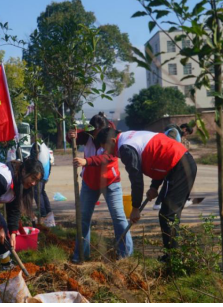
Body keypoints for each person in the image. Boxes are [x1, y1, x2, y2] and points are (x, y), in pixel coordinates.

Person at [97, 128, 197, 260]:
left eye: (106, 148)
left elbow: (136, 179)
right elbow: (159, 156)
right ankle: (173, 256)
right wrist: (154, 187)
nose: (106, 152)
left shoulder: (125, 148)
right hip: (176, 164)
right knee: (168, 214)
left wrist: (135, 208)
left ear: (112, 141)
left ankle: (173, 259)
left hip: (180, 166)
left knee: (168, 215)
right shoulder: (128, 137)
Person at [68, 112, 133, 263]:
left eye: (101, 133)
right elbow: (75, 137)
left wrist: (87, 161)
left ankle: (125, 257)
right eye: (95, 134)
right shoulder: (88, 134)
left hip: (110, 182)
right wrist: (71, 135)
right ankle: (81, 256)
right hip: (89, 183)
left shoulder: (112, 137)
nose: (98, 137)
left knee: (119, 218)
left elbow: (108, 157)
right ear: (91, 130)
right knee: (83, 218)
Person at [153, 123, 194, 210]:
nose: (186, 136)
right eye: (187, 134)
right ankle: (159, 203)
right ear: (185, 129)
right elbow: (169, 144)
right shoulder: (174, 132)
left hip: (171, 160)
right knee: (168, 183)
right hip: (169, 160)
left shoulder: (176, 133)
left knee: (172, 182)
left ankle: (163, 202)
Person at [30, 135, 54, 226]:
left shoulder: (36, 145)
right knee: (42, 192)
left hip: (38, 173)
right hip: (45, 174)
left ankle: (42, 213)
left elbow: (33, 159)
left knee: (37, 193)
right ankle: (48, 210)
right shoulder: (44, 146)